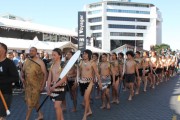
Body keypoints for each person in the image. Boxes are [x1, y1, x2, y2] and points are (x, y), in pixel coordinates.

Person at [21, 47, 47, 120]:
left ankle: (27, 118)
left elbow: (45, 74)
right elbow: (22, 72)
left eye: (33, 51)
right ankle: (40, 115)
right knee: (35, 102)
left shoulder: (40, 62)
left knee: (30, 104)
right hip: (27, 86)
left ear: (36, 52)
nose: (31, 52)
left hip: (36, 86)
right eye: (30, 51)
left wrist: (43, 86)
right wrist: (22, 78)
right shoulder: (26, 61)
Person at [79, 49, 101, 120]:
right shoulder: (81, 62)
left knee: (86, 98)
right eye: (83, 54)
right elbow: (79, 72)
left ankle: (85, 114)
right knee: (87, 98)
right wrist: (77, 81)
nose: (84, 55)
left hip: (89, 82)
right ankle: (90, 111)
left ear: (89, 55)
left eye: (85, 54)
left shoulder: (92, 63)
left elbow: (97, 73)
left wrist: (100, 83)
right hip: (82, 82)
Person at [47, 48, 67, 120]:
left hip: (61, 87)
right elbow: (49, 77)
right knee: (58, 107)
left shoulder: (63, 64)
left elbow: (64, 79)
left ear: (59, 55)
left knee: (56, 106)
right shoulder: (50, 65)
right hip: (53, 87)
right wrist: (48, 87)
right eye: (52, 55)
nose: (52, 56)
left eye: (54, 55)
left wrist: (54, 86)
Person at [0, 42, 19, 120]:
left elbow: (15, 78)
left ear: (4, 51)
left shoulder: (9, 63)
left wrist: (1, 81)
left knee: (2, 116)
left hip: (5, 93)